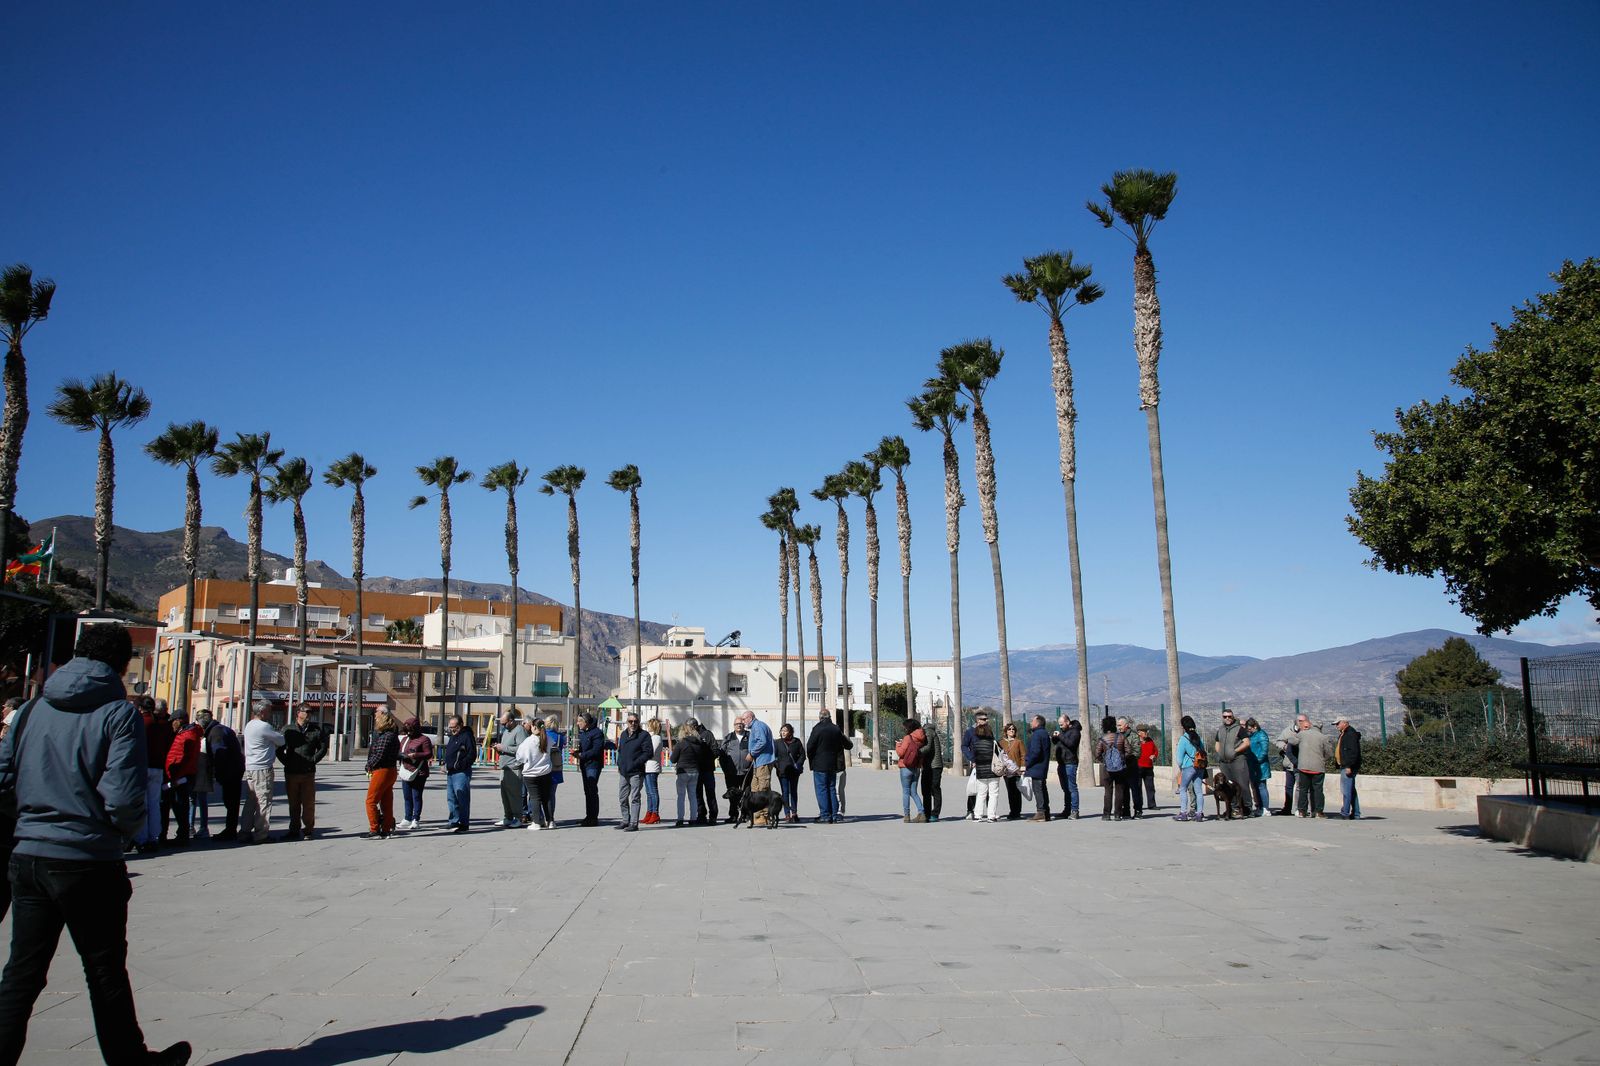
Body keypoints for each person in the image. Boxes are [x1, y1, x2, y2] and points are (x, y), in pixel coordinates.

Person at [0, 622, 192, 1066]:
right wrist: (116, 831)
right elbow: (124, 796)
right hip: (87, 858)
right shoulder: (117, 713)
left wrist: (31, 822)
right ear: (122, 664)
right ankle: (130, 1060)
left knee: (21, 974)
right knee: (104, 969)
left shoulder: (30, 710)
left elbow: (4, 778)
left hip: (28, 856)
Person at [280, 704, 329, 840]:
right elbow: (279, 748)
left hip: (308, 772)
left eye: (310, 712)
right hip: (291, 772)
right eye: (306, 711)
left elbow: (323, 747)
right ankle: (294, 830)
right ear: (298, 713)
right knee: (293, 803)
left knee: (308, 803)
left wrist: (313, 760)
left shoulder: (316, 730)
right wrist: (287, 761)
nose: (308, 714)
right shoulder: (288, 729)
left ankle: (308, 830)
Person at [240, 700, 285, 845]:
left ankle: (245, 830)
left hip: (250, 766)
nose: (271, 713)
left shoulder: (249, 724)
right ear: (262, 712)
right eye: (269, 710)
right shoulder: (264, 726)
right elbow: (281, 740)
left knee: (251, 800)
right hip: (262, 767)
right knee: (264, 800)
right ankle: (261, 833)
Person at [200, 709, 244, 841]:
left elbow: (219, 753)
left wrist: (217, 773)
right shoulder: (220, 729)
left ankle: (230, 830)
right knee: (232, 801)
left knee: (230, 801)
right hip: (235, 769)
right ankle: (230, 828)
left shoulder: (216, 732)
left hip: (230, 771)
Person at [805, 709, 851, 824]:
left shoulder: (817, 728)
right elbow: (847, 744)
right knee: (831, 789)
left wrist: (812, 759)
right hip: (833, 764)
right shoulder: (836, 729)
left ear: (820, 717)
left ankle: (825, 815)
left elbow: (810, 746)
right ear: (829, 717)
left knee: (821, 789)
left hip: (820, 764)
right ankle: (834, 815)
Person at [139, 697, 172, 851]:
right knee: (154, 803)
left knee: (143, 804)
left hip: (142, 766)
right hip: (158, 767)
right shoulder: (161, 726)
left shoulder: (140, 723)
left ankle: (142, 837)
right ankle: (154, 836)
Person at [162, 713, 200, 847]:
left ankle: (183, 834)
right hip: (181, 775)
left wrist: (175, 777)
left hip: (182, 777)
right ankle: (182, 833)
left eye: (173, 721)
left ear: (179, 720)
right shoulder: (185, 733)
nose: (172, 723)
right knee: (179, 805)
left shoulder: (187, 735)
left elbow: (184, 759)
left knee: (180, 805)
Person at [1210, 709, 1254, 818]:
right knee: (1228, 786)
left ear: (1233, 717)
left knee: (1242, 784)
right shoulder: (1220, 730)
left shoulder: (1239, 729)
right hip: (1224, 762)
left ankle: (1247, 808)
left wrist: (1235, 751)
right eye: (1225, 717)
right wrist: (1219, 752)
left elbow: (1247, 742)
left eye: (1229, 716)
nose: (1227, 718)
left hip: (1237, 760)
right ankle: (1234, 808)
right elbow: (1217, 743)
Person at [363, 710, 400, 839]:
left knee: (371, 801)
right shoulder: (393, 736)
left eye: (378, 721)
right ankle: (386, 828)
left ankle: (374, 829)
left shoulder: (385, 737)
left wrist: (369, 765)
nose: (376, 723)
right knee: (386, 801)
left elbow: (379, 754)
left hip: (382, 770)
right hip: (391, 770)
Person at [1289, 713, 1333, 818]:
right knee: (1318, 790)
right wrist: (1323, 759)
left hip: (1303, 766)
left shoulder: (1303, 734)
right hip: (1318, 767)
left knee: (1303, 789)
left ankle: (1302, 811)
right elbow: (1329, 753)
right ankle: (1318, 812)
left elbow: (1291, 740)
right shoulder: (1323, 737)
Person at [613, 712, 651, 831]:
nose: (633, 723)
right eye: (630, 721)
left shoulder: (644, 735)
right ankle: (625, 820)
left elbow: (648, 753)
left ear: (638, 722)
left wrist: (636, 763)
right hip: (624, 772)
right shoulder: (624, 734)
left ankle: (634, 823)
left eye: (635, 721)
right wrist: (619, 764)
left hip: (636, 772)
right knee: (622, 797)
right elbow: (620, 750)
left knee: (635, 797)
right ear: (627, 722)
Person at [397, 717, 434, 830]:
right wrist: (400, 756)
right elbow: (398, 752)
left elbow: (428, 753)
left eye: (410, 729)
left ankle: (415, 819)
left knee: (416, 796)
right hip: (406, 770)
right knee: (407, 796)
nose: (408, 732)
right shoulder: (405, 739)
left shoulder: (424, 739)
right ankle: (407, 818)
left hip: (419, 772)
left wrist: (416, 755)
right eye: (407, 729)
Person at [516, 724, 555, 829]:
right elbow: (553, 745)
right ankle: (550, 821)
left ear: (533, 727)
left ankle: (536, 822)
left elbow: (520, 757)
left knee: (534, 798)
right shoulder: (548, 739)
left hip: (531, 773)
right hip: (545, 771)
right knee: (546, 798)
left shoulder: (528, 741)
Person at [494, 710, 529, 828]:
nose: (503, 726)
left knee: (514, 795)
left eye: (505, 724)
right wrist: (499, 749)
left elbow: (522, 748)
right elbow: (507, 748)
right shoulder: (506, 731)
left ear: (511, 720)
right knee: (505, 795)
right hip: (505, 768)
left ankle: (518, 817)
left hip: (514, 768)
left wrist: (503, 747)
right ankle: (508, 817)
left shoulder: (519, 731)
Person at [441, 715, 474, 832]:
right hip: (450, 772)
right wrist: (445, 763)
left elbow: (471, 755)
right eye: (450, 727)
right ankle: (453, 821)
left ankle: (464, 824)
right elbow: (450, 752)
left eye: (453, 727)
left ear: (460, 725)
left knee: (462, 798)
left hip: (461, 772)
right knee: (451, 798)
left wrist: (459, 765)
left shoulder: (467, 736)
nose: (451, 730)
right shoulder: (452, 737)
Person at [743, 711, 776, 826]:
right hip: (759, 763)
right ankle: (757, 814)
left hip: (763, 761)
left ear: (750, 717)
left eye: (744, 719)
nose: (743, 722)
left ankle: (764, 816)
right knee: (755, 788)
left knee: (763, 789)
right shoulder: (756, 727)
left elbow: (762, 742)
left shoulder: (758, 726)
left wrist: (752, 753)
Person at [1096, 716, 1131, 821]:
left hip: (1107, 769)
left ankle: (1106, 814)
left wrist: (1105, 761)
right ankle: (1117, 814)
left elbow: (1097, 754)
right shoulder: (1121, 737)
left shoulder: (1102, 739)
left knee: (1108, 791)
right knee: (1119, 790)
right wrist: (1122, 759)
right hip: (1120, 768)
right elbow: (1129, 750)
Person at [1174, 715, 1207, 822]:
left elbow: (1179, 758)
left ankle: (1183, 813)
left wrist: (1181, 767)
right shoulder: (1198, 738)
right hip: (1199, 766)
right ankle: (1199, 813)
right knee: (1198, 790)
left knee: (1183, 789)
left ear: (1183, 727)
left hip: (1188, 766)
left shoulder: (1184, 739)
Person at [575, 713, 606, 826]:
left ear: (586, 722)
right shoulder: (583, 732)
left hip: (593, 765)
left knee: (592, 790)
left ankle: (593, 818)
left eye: (580, 721)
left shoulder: (597, 733)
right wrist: (577, 753)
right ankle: (589, 816)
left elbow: (596, 750)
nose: (578, 723)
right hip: (584, 764)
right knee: (587, 791)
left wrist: (582, 755)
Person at [960, 710, 992, 819]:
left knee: (988, 788)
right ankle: (970, 811)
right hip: (976, 763)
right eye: (983, 719)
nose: (986, 721)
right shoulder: (970, 732)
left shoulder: (989, 731)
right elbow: (964, 746)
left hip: (988, 763)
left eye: (986, 719)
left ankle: (989, 811)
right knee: (974, 787)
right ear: (977, 720)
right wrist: (972, 759)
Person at [970, 716, 1003, 822]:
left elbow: (973, 757)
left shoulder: (975, 744)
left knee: (981, 793)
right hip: (993, 771)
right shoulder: (993, 743)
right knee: (993, 793)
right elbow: (1000, 754)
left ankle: (977, 815)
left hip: (981, 771)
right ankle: (991, 816)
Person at [188, 709, 214, 841]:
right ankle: (190, 826)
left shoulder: (210, 733)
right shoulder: (193, 732)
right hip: (195, 768)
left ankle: (202, 827)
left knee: (200, 800)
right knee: (193, 799)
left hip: (202, 769)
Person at [894, 718, 927, 823]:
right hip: (916, 768)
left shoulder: (908, 738)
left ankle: (907, 815)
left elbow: (900, 753)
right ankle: (921, 812)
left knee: (906, 792)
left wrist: (898, 744)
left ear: (909, 727)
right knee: (914, 792)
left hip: (905, 767)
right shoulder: (922, 738)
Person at [673, 721, 705, 826]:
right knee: (693, 796)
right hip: (695, 771)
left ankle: (680, 819)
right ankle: (693, 818)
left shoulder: (681, 744)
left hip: (683, 771)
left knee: (681, 796)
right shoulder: (698, 743)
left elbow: (673, 759)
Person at [721, 715, 751, 823]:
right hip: (731, 773)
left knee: (746, 795)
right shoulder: (729, 737)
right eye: (737, 724)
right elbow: (722, 755)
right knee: (732, 796)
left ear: (744, 725)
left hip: (746, 772)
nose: (739, 725)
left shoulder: (749, 736)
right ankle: (733, 815)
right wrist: (726, 770)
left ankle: (746, 815)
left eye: (741, 724)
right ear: (734, 726)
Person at [1333, 714, 1363, 820]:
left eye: (1338, 723)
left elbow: (1353, 752)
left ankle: (1345, 813)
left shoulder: (1350, 734)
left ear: (1345, 723)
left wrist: (1349, 766)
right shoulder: (1344, 734)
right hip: (1344, 765)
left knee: (1346, 791)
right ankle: (1356, 813)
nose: (1336, 726)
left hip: (1347, 766)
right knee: (1351, 791)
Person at [1053, 715, 1082, 820]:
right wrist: (1055, 738)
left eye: (1062, 724)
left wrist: (1060, 736)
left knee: (1072, 788)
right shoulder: (1063, 732)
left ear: (1068, 722)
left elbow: (1071, 744)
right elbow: (1058, 743)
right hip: (1061, 763)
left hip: (1070, 763)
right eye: (1059, 725)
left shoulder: (1075, 732)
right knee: (1065, 788)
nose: (1060, 726)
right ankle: (1067, 810)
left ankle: (1075, 810)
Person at [774, 722, 805, 822]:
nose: (783, 732)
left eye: (785, 731)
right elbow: (774, 756)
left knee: (793, 792)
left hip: (794, 771)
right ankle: (787, 813)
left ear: (790, 732)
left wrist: (798, 764)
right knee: (785, 792)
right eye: (782, 731)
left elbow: (802, 755)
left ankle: (794, 813)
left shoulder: (796, 742)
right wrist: (777, 766)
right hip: (782, 771)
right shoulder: (777, 742)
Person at [1024, 714, 1052, 822]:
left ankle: (1041, 812)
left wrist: (1027, 763)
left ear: (1038, 722)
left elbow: (1035, 752)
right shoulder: (1044, 733)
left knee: (1038, 790)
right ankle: (1046, 812)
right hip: (1042, 767)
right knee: (1042, 789)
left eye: (1032, 721)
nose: (1031, 722)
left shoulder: (1037, 734)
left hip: (1037, 767)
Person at [693, 718, 719, 824]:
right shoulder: (689, 735)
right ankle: (701, 814)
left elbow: (715, 750)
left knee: (710, 793)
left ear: (695, 726)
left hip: (707, 770)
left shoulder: (707, 734)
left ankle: (713, 815)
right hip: (696, 770)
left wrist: (706, 758)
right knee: (697, 794)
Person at [919, 718, 944, 822]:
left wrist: (915, 751)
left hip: (935, 766)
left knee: (934, 788)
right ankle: (927, 813)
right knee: (926, 790)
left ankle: (934, 813)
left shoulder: (928, 731)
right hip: (928, 766)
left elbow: (928, 747)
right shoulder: (928, 731)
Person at [1245, 717, 1271, 817]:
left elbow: (1264, 751)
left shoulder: (1261, 735)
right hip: (1252, 765)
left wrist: (1258, 761)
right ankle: (1259, 807)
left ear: (1255, 726)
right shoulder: (1252, 736)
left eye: (1250, 728)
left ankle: (1265, 808)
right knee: (1255, 787)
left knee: (1262, 786)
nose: (1249, 730)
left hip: (1261, 766)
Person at [1118, 719, 1144, 819]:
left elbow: (1137, 752)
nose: (1119, 727)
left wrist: (1125, 756)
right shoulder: (1118, 736)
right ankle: (1126, 812)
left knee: (1135, 790)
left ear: (1126, 725)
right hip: (1121, 768)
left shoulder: (1134, 736)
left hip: (1132, 767)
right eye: (1118, 725)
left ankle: (1138, 811)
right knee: (1124, 790)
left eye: (1120, 725)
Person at [1274, 719, 1300, 816]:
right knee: (1288, 787)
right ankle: (1287, 808)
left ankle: (1298, 808)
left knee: (1299, 787)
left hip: (1300, 764)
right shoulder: (1287, 731)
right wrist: (1285, 747)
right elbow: (1279, 741)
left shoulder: (1305, 731)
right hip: (1289, 763)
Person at [1000, 721, 1025, 820]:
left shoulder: (1019, 742)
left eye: (1013, 729)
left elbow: (1023, 755)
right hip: (1006, 771)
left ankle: (1017, 811)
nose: (1011, 731)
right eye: (1009, 729)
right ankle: (1012, 811)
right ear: (1006, 731)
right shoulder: (1001, 742)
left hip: (1017, 770)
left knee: (1017, 791)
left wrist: (1023, 767)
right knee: (1010, 791)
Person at [641, 718, 664, 825]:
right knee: (649, 792)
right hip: (647, 767)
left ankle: (655, 813)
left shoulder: (656, 738)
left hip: (652, 767)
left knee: (653, 791)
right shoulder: (651, 737)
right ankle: (649, 812)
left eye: (649, 725)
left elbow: (651, 752)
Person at [543, 715, 565, 823]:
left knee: (541, 793)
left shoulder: (543, 735)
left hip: (544, 765)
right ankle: (551, 818)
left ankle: (541, 817)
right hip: (556, 766)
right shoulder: (560, 737)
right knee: (552, 794)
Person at [1135, 724, 1159, 812]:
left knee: (1150, 787)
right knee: (1138, 788)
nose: (1147, 733)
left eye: (1147, 731)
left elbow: (1156, 751)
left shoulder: (1150, 741)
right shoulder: (1136, 742)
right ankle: (1139, 805)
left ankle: (1152, 804)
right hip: (1138, 768)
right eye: (1145, 731)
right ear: (1139, 733)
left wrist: (1154, 755)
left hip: (1149, 767)